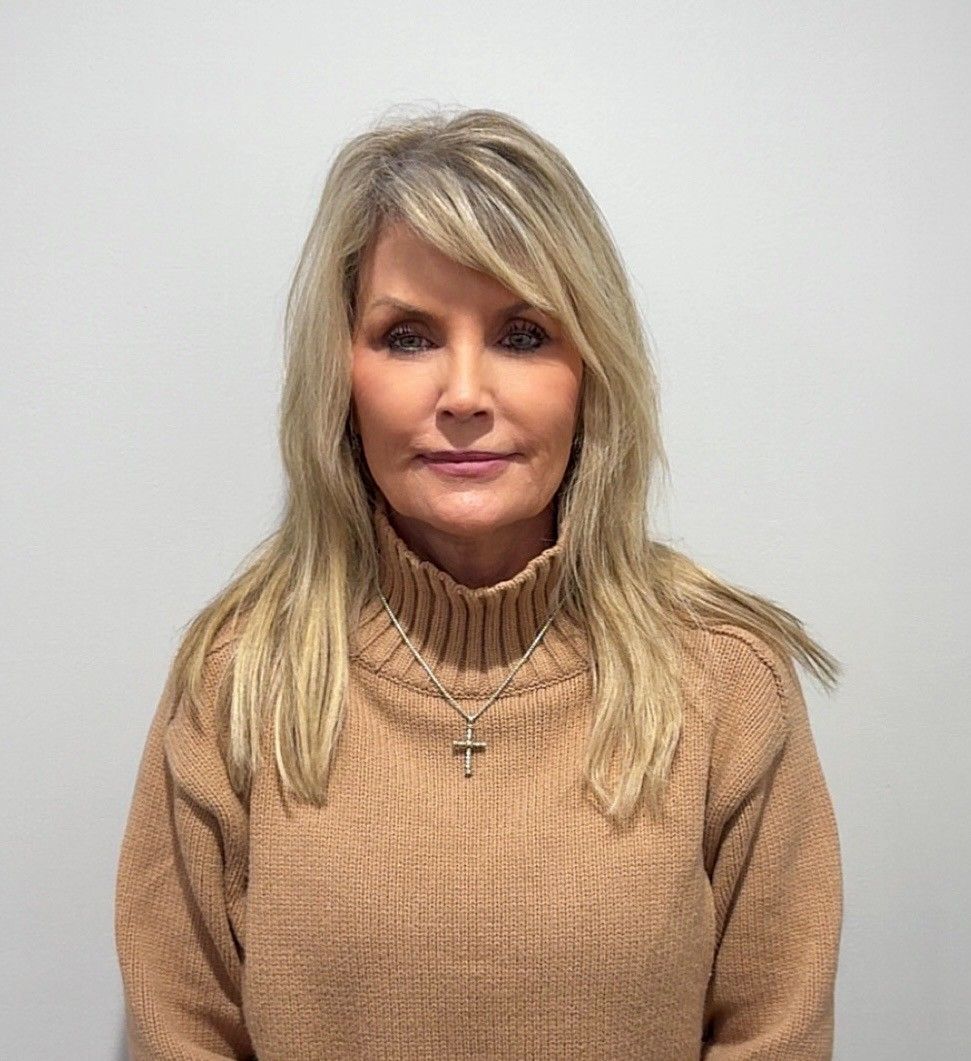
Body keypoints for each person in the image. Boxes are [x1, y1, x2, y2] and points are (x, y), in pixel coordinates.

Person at [114, 105, 843, 1060]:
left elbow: (775, 1035)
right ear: (340, 373)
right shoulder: (236, 677)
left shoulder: (725, 679)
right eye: (408, 335)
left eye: (523, 334)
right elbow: (184, 1034)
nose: (463, 393)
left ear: (592, 371)